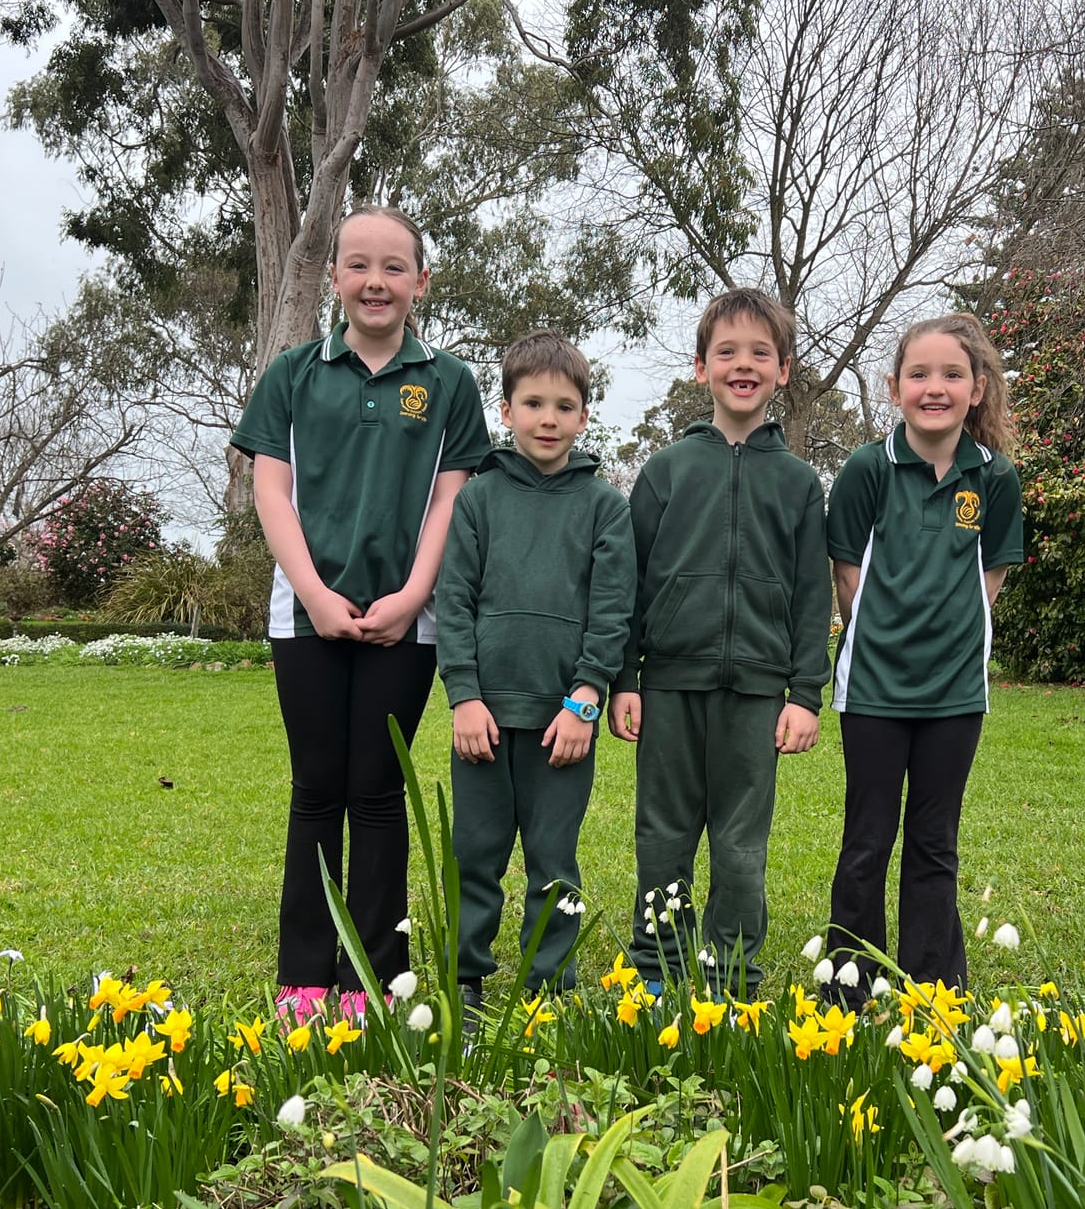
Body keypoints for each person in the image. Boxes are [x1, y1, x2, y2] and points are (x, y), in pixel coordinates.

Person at [232, 206, 492, 1023]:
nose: (375, 282)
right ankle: (305, 979)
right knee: (316, 790)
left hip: (407, 623)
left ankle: (374, 979)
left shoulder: (449, 384)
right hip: (304, 617)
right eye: (358, 265)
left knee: (378, 793)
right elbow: (270, 491)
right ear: (336, 278)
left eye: (393, 267)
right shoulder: (292, 375)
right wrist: (313, 592)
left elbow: (452, 499)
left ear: (421, 281)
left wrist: (413, 597)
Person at [608, 289, 831, 994]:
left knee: (740, 846)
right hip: (669, 689)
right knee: (663, 837)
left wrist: (805, 694)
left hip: (758, 695)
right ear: (701, 367)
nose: (744, 365)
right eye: (727, 352)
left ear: (783, 370)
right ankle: (656, 972)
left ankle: (732, 980)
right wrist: (624, 679)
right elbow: (629, 585)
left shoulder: (799, 484)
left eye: (760, 353)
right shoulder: (666, 471)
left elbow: (812, 595)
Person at [824, 312, 1022, 993]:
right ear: (894, 388)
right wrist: (892, 638)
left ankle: (933, 989)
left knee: (935, 841)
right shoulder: (866, 469)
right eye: (919, 374)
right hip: (872, 690)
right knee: (867, 839)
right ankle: (848, 986)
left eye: (952, 375)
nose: (934, 387)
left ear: (977, 389)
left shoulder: (995, 479)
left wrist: (945, 642)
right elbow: (848, 578)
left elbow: (988, 582)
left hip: (955, 695)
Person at [436, 332, 634, 1005]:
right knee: (475, 855)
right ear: (507, 410)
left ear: (584, 416)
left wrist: (585, 700)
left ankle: (546, 988)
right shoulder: (477, 500)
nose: (548, 419)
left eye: (564, 406)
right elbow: (454, 603)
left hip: (563, 724)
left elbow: (613, 611)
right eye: (533, 404)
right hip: (483, 720)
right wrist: (464, 697)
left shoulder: (605, 506)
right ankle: (465, 980)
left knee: (553, 861)